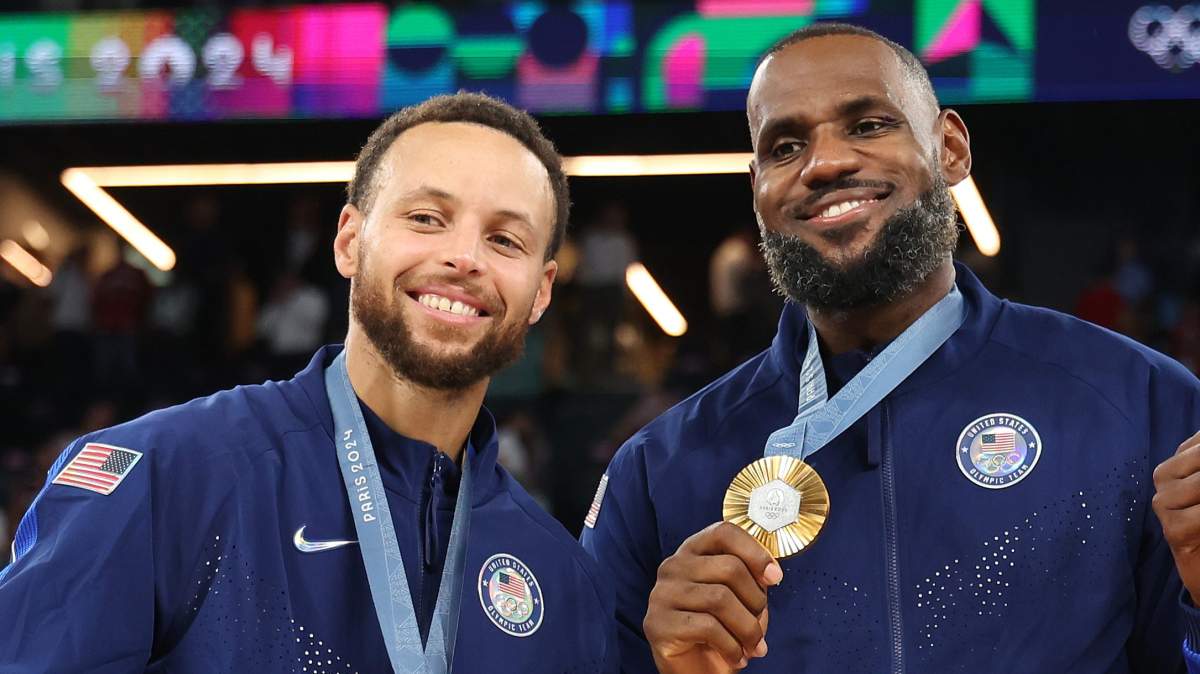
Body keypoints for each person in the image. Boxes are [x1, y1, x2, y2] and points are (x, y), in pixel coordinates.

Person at [580, 23, 1200, 673]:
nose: (825, 164)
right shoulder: (659, 470)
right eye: (786, 146)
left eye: (869, 125)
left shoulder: (1141, 406)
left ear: (950, 148)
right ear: (758, 187)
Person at [0, 92, 616, 673]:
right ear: (349, 241)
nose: (466, 258)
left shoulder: (563, 582)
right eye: (427, 218)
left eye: (505, 239)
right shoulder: (165, 479)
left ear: (541, 292)